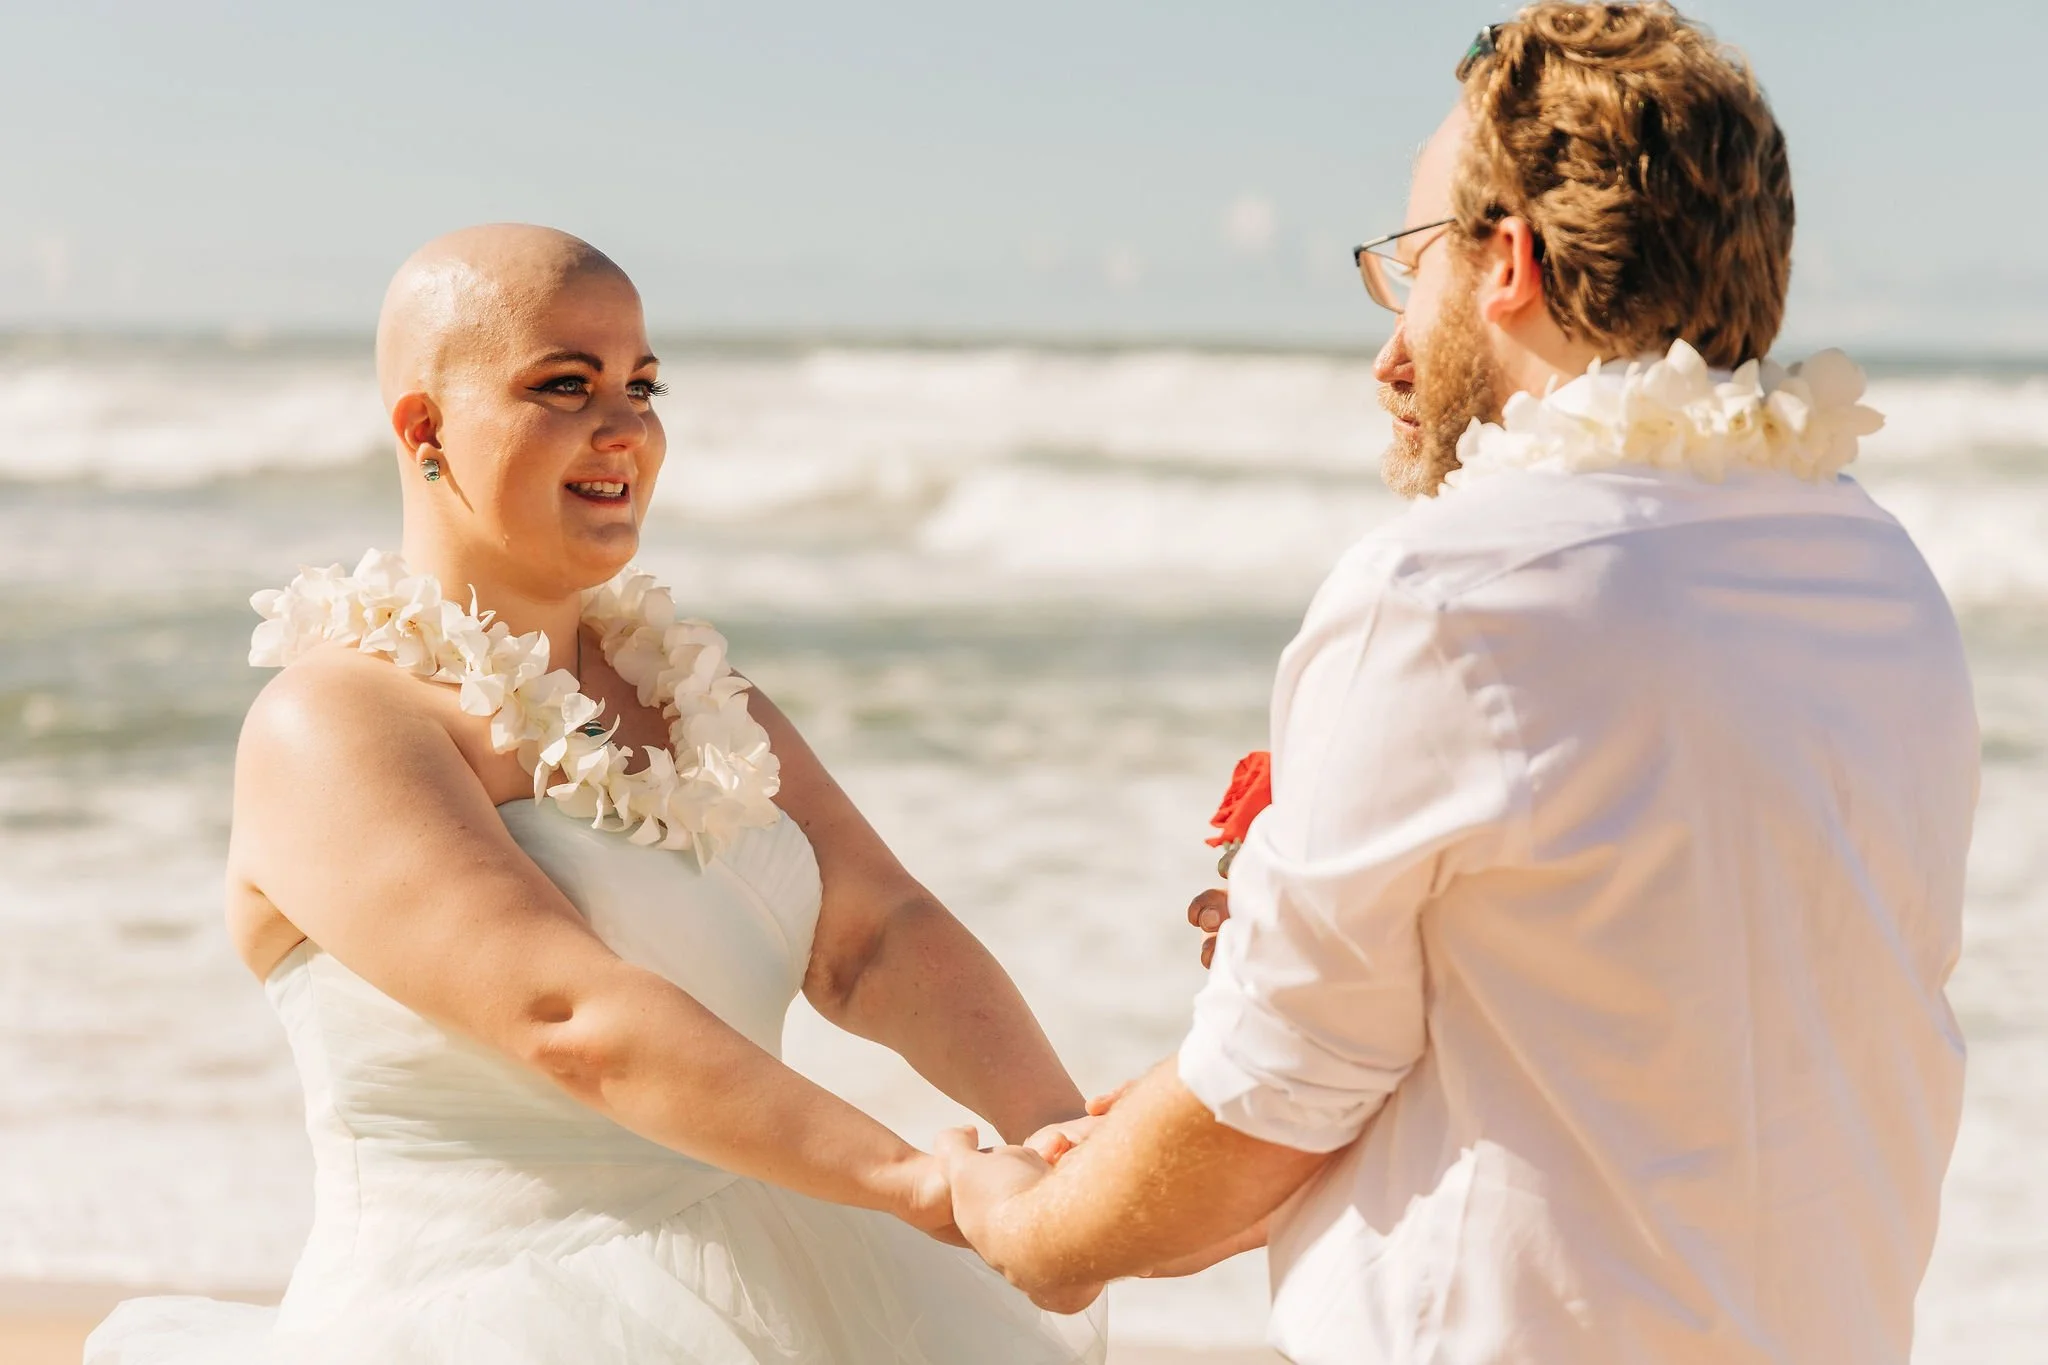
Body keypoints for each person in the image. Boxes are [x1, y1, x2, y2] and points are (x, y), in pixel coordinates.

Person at [940, 6, 1979, 1363]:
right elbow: (1630, 1022)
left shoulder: (1449, 593)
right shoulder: (1881, 575)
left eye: (1413, 260)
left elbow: (1280, 1096)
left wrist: (1036, 1229)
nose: (1391, 348)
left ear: (1509, 263)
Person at [87, 224, 1104, 1364]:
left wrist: (1066, 1149)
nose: (623, 427)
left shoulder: (708, 701)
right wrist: (920, 1185)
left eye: (642, 384)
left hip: (795, 1286)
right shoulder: (333, 723)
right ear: (422, 427)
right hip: (480, 1314)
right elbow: (565, 1017)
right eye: (563, 387)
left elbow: (874, 935)